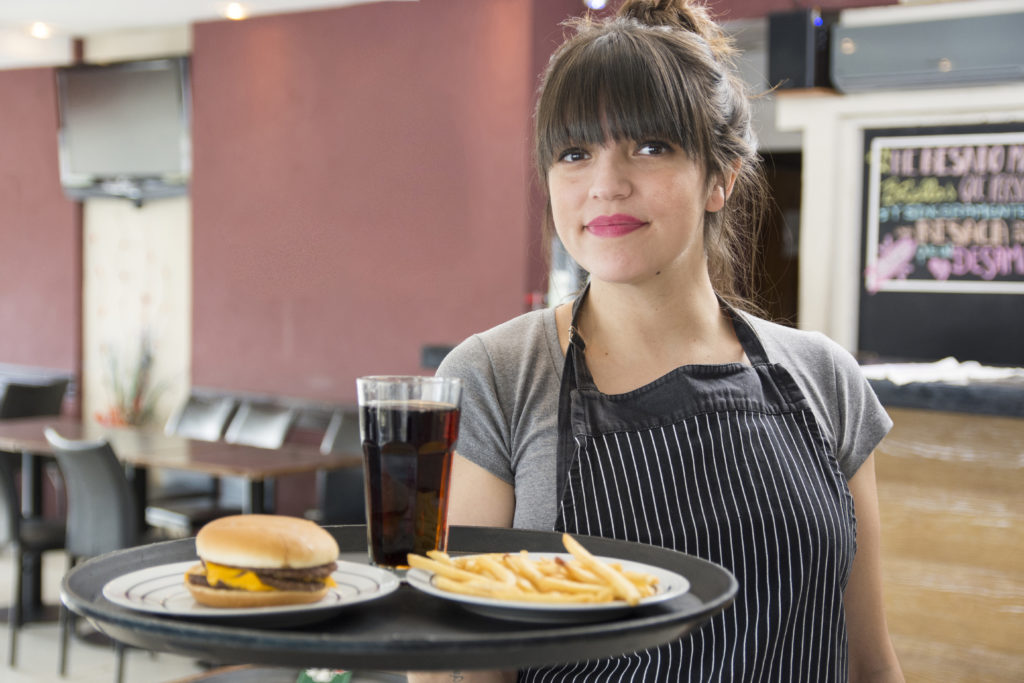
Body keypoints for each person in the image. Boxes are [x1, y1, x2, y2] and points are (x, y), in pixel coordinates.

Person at [415, 1, 905, 681]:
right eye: (575, 153)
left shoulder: (825, 379)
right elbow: (456, 669)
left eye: (650, 147)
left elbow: (870, 662)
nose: (606, 185)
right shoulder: (499, 376)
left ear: (720, 177)